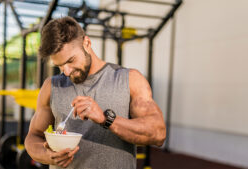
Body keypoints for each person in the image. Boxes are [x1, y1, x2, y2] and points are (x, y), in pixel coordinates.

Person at [24, 16, 166, 169]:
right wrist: (47, 156)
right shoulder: (51, 86)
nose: (66, 71)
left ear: (87, 43)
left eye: (70, 61)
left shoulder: (130, 79)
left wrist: (106, 119)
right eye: (60, 65)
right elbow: (33, 136)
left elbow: (158, 133)